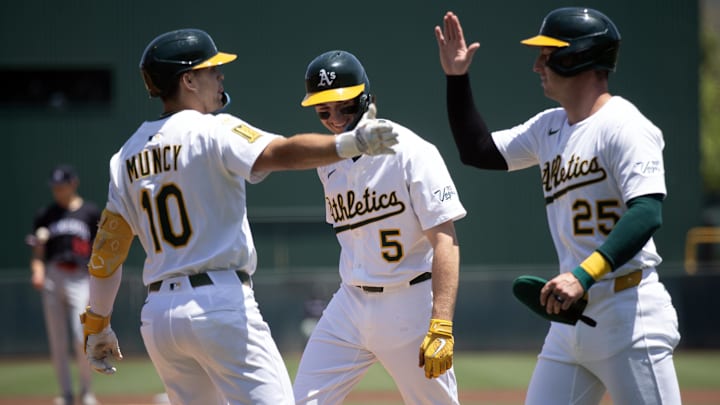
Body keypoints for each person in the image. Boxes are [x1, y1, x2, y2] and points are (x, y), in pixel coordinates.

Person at [78, 29, 398, 405]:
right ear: (189, 79)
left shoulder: (125, 156)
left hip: (160, 317)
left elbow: (107, 251)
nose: (220, 76)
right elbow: (281, 152)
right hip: (218, 304)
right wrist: (350, 143)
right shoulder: (214, 129)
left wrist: (97, 323)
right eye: (212, 69)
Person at [435, 8, 681, 404]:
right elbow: (476, 150)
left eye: (546, 55)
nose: (536, 66)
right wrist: (457, 78)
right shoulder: (549, 127)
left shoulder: (626, 125)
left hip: (630, 316)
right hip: (569, 319)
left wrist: (584, 274)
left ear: (576, 56)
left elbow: (647, 212)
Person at [292, 50, 466, 405]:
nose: (336, 119)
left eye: (345, 107)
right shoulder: (327, 162)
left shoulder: (412, 152)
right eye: (324, 110)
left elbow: (446, 241)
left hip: (409, 304)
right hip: (349, 304)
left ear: (367, 99)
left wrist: (441, 323)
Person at [28, 164, 101, 405]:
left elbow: (100, 248)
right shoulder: (46, 215)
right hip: (53, 276)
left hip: (80, 277)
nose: (58, 190)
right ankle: (67, 394)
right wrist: (37, 271)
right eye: (55, 187)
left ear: (74, 183)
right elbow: (38, 253)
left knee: (81, 335)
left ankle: (87, 391)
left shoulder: (90, 213)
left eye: (62, 185)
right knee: (57, 340)